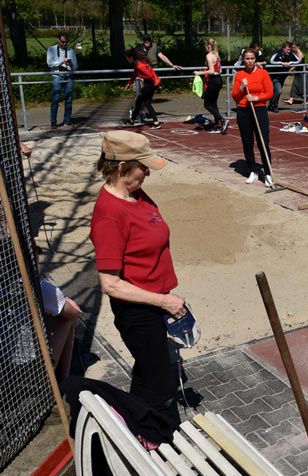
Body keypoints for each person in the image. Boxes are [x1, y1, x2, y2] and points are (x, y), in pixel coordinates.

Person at [89, 130, 185, 424]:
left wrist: (165, 299)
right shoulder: (109, 214)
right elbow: (111, 284)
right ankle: (158, 437)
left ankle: (135, 428)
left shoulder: (134, 193)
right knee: (161, 384)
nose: (147, 173)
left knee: (147, 372)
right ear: (121, 168)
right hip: (137, 311)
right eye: (142, 167)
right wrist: (164, 301)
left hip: (155, 302)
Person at [232, 49, 274, 187]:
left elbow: (269, 93)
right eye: (247, 59)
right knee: (247, 142)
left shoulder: (263, 73)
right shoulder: (239, 75)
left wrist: (257, 98)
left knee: (263, 140)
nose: (250, 61)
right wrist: (242, 88)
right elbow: (235, 96)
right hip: (244, 110)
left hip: (259, 109)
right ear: (243, 60)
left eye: (252, 58)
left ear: (255, 59)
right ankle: (252, 170)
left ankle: (267, 173)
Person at [41, 279, 82, 384]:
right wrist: (63, 299)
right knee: (65, 319)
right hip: (31, 364)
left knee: (58, 311)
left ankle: (62, 381)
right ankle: (62, 382)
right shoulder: (40, 288)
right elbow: (75, 312)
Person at [193, 38, 228, 134]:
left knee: (207, 104)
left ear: (208, 46)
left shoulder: (209, 56)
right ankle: (217, 124)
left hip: (213, 80)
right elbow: (219, 70)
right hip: (219, 79)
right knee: (213, 103)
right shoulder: (216, 55)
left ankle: (222, 119)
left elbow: (212, 71)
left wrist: (199, 72)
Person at [123, 49, 162, 130]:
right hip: (151, 84)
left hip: (150, 84)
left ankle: (132, 120)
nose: (126, 60)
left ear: (131, 58)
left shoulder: (140, 65)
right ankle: (156, 123)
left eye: (127, 58)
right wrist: (129, 83)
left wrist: (144, 78)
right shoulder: (138, 64)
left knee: (139, 101)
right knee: (147, 103)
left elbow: (150, 75)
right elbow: (135, 74)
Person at [46, 32, 77, 129]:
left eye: (66, 42)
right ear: (58, 40)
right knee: (56, 99)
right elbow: (49, 63)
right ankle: (53, 122)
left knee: (68, 99)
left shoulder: (71, 51)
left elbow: (76, 66)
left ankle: (67, 120)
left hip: (68, 76)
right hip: (57, 76)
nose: (65, 44)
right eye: (63, 42)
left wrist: (71, 64)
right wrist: (61, 61)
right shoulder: (51, 49)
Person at [268, 41, 302, 112]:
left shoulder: (291, 54)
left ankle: (271, 104)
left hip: (283, 76)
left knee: (276, 91)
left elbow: (299, 60)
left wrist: (290, 63)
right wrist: (281, 63)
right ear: (283, 49)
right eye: (287, 49)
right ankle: (274, 105)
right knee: (279, 90)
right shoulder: (277, 53)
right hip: (275, 76)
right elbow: (271, 61)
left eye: (290, 49)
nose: (289, 51)